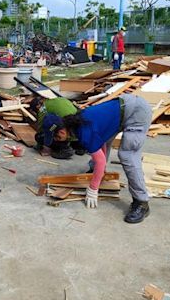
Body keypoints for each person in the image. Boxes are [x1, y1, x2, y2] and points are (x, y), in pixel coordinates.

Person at [56, 94, 152, 224]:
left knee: (127, 154)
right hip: (124, 107)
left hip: (137, 111)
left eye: (57, 138)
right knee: (104, 142)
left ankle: (141, 203)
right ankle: (96, 171)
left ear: (62, 132)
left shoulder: (84, 132)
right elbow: (101, 141)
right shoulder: (77, 120)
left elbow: (100, 160)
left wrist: (93, 188)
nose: (57, 142)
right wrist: (99, 171)